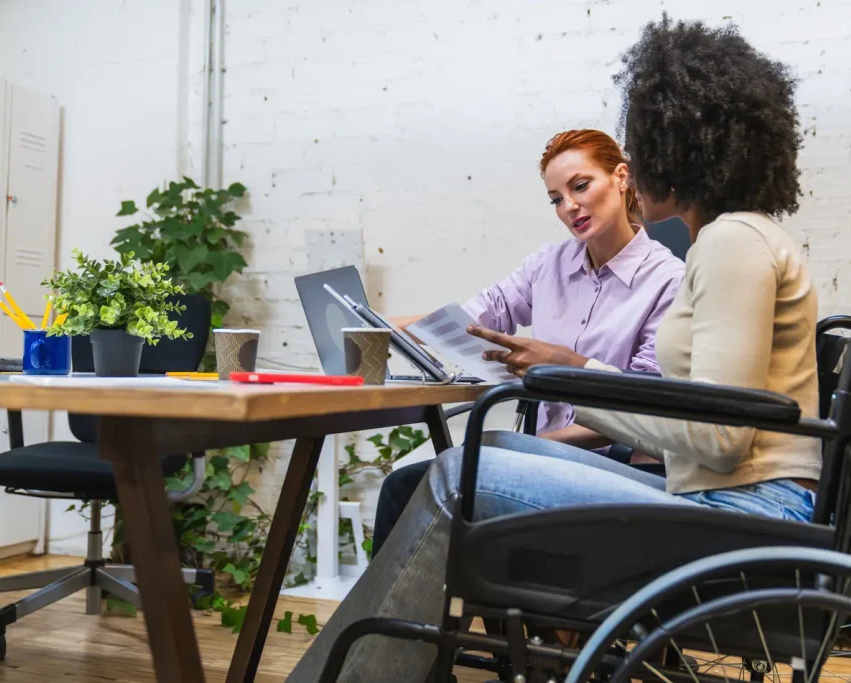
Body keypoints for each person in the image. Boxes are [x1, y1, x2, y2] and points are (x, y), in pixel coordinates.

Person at [288, 15, 818, 683]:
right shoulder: (731, 238)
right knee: (477, 456)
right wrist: (381, 324)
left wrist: (573, 374)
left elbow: (719, 437)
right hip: (716, 500)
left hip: (736, 514)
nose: (637, 164)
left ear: (677, 149)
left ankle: (356, 676)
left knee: (456, 472)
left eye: (643, 149)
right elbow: (709, 420)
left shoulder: (731, 242)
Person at [372, 129, 684, 556]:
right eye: (556, 198)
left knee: (412, 487)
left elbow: (642, 409)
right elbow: (473, 317)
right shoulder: (548, 265)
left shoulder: (668, 280)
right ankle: (413, 621)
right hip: (539, 454)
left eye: (580, 186)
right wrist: (381, 327)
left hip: (610, 463)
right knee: (407, 487)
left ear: (621, 177)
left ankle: (397, 622)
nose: (569, 207)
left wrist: (526, 447)